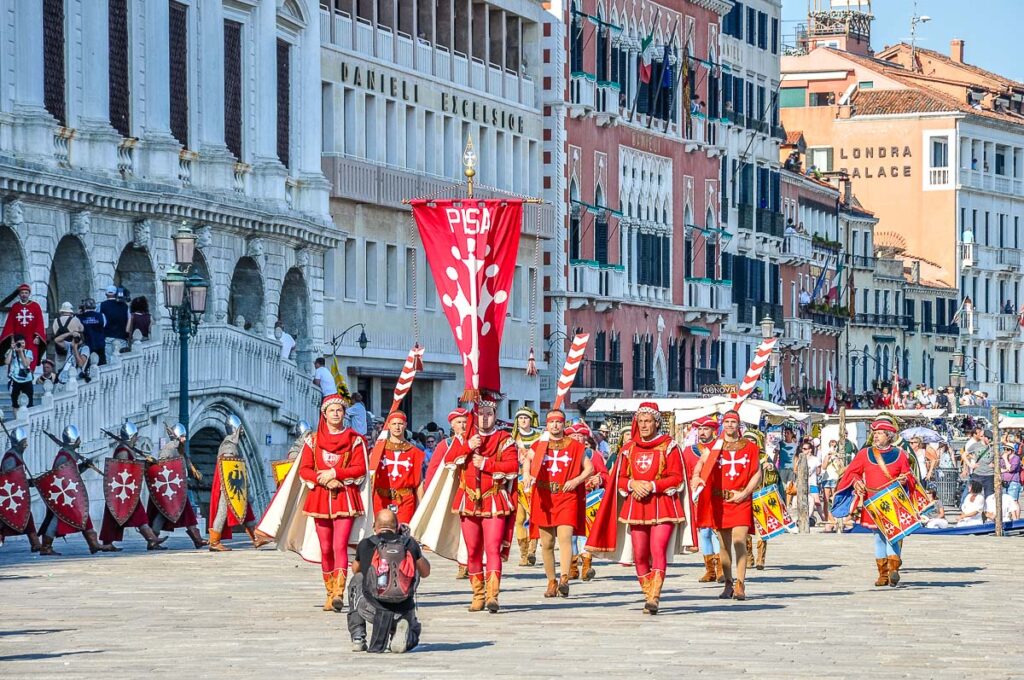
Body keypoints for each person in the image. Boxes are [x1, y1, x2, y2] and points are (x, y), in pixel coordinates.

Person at [587, 402, 686, 615]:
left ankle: (655, 596)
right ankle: (648, 593)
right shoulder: (628, 449)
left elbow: (676, 477)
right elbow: (618, 479)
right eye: (640, 421)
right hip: (636, 506)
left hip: (662, 505)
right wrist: (633, 484)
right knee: (640, 554)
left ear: (657, 423)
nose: (643, 425)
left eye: (648, 421)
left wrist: (651, 485)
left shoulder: (669, 446)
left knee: (657, 549)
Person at [442, 399, 517, 613]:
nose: (485, 417)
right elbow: (449, 460)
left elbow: (512, 466)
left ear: (495, 415)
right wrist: (468, 446)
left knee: (492, 548)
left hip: (493, 497)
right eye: (481, 413)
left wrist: (486, 464)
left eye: (489, 414)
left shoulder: (504, 439)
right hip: (469, 499)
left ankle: (493, 595)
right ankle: (478, 594)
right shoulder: (464, 438)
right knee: (473, 550)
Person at [298, 394, 369, 612]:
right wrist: (323, 479)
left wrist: (335, 473)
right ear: (324, 414)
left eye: (339, 410)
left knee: (339, 545)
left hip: (345, 497)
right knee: (326, 547)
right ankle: (329, 593)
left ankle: (339, 592)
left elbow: (359, 468)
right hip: (320, 497)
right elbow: (305, 469)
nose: (336, 414)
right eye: (332, 411)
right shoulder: (313, 440)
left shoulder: (355, 439)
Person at [832, 417, 916, 587]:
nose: (876, 436)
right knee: (878, 537)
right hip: (873, 502)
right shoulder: (865, 453)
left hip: (893, 502)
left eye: (879, 433)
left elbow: (909, 476)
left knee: (893, 535)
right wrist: (857, 482)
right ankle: (883, 575)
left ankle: (893, 570)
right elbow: (852, 473)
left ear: (889, 436)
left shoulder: (900, 454)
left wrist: (903, 480)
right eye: (874, 433)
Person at [691, 410, 762, 601]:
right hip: (720, 501)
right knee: (723, 545)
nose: (730, 425)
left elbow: (757, 473)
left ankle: (740, 583)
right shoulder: (715, 447)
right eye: (727, 422)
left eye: (733, 422)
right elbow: (700, 464)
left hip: (740, 499)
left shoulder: (750, 447)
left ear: (738, 425)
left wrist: (745, 493)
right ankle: (728, 582)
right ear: (723, 424)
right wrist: (697, 477)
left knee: (740, 540)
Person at [522, 410, 592, 598]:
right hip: (544, 495)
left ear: (564, 424)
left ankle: (564, 578)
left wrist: (576, 481)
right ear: (547, 424)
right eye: (552, 422)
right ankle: (551, 581)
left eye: (559, 422)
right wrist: (527, 474)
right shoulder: (540, 444)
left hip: (566, 495)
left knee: (565, 538)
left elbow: (589, 468)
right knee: (547, 543)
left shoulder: (575, 446)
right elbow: (527, 461)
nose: (555, 425)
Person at [348, 509, 429, 654]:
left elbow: (355, 569)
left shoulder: (366, 544)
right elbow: (425, 572)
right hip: (404, 608)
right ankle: (402, 629)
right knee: (413, 569)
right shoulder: (409, 543)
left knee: (357, 580)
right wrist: (415, 551)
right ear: (397, 526)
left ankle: (358, 638)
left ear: (374, 526)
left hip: (373, 609)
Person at [37, 426, 116, 555]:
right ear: (75, 440)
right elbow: (58, 476)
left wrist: (84, 466)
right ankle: (46, 547)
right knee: (58, 518)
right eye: (78, 439)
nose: (80, 441)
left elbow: (72, 472)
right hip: (64, 494)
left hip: (69, 493)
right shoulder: (63, 457)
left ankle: (93, 544)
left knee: (83, 516)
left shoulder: (68, 455)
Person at [97, 421, 168, 551]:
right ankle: (151, 539)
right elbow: (125, 469)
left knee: (131, 517)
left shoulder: (127, 449)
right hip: (121, 490)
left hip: (126, 491)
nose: (136, 438)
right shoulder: (123, 451)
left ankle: (151, 540)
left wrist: (145, 462)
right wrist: (144, 463)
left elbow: (133, 465)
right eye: (135, 436)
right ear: (131, 436)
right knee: (133, 516)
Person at [207, 415, 269, 552]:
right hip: (229, 487)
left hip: (237, 486)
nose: (241, 432)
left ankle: (256, 538)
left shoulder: (233, 445)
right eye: (240, 429)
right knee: (222, 511)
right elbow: (229, 468)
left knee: (246, 511)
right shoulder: (228, 445)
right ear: (235, 429)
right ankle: (214, 541)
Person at [147, 423, 208, 549]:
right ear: (176, 436)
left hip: (177, 487)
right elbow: (162, 467)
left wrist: (194, 474)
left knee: (166, 514)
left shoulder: (179, 449)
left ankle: (152, 541)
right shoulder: (169, 449)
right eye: (183, 436)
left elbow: (182, 465)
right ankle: (196, 539)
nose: (185, 439)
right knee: (169, 513)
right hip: (171, 488)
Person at [565, 421, 608, 582]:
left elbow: (605, 475)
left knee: (585, 533)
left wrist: (599, 478)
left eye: (580, 436)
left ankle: (586, 565)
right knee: (570, 535)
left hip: (588, 499)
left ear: (585, 438)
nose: (576, 438)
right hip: (568, 498)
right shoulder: (563, 454)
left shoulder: (592, 455)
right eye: (573, 436)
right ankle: (572, 567)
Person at [683, 416, 723, 583]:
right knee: (704, 531)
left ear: (714, 431)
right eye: (699, 429)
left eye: (706, 429)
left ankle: (721, 568)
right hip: (698, 495)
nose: (702, 432)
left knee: (716, 531)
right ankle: (710, 570)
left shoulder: (719, 448)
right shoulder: (689, 450)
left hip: (716, 494)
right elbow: (684, 472)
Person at [372, 411, 425, 525]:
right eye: (394, 424)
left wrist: (421, 506)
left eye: (400, 424)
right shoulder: (378, 451)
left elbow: (419, 482)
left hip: (405, 501)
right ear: (389, 425)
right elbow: (370, 478)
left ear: (405, 425)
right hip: (381, 499)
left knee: (403, 535)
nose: (397, 427)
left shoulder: (414, 452)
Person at [0, 427, 43, 553]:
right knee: (9, 519)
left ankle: (35, 543)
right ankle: (35, 543)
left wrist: (28, 483)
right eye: (24, 441)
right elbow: (7, 479)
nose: (26, 444)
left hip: (16, 495)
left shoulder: (16, 455)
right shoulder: (11, 458)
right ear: (18, 442)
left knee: (26, 517)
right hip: (10, 495)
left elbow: (18, 479)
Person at [511, 406, 542, 567]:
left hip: (535, 481)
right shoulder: (512, 437)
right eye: (520, 418)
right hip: (518, 481)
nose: (523, 421)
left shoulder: (540, 437)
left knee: (534, 517)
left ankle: (532, 551)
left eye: (526, 418)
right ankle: (523, 553)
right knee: (520, 518)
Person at [0, 283, 46, 370]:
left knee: (31, 359)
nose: (24, 295)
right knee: (15, 359)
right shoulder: (15, 307)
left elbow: (40, 322)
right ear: (19, 295)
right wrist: (12, 340)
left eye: (26, 293)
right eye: (22, 293)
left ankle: (29, 377)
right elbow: (10, 324)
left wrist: (37, 337)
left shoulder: (36, 306)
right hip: (18, 338)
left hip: (31, 338)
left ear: (29, 294)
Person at [424, 408, 468, 488]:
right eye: (459, 422)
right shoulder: (445, 444)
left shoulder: (473, 442)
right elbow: (433, 469)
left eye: (465, 422)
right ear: (452, 425)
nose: (462, 426)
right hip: (449, 486)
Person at [5, 333, 35, 409]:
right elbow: (7, 362)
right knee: (15, 403)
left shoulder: (28, 352)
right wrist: (12, 349)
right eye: (19, 343)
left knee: (29, 402)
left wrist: (21, 352)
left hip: (27, 379)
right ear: (15, 343)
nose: (22, 345)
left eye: (23, 343)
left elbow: (26, 364)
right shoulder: (11, 351)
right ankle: (17, 420)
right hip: (14, 379)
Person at [99, 285, 129, 358]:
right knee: (121, 359)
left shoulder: (102, 305)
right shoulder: (125, 306)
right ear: (116, 293)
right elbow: (129, 320)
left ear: (106, 294)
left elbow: (101, 321)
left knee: (109, 360)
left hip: (107, 336)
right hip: (121, 336)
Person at [77, 298, 106, 365]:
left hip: (86, 346)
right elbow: (104, 326)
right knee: (101, 366)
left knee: (86, 367)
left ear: (84, 306)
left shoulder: (79, 317)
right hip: (100, 345)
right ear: (95, 306)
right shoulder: (101, 316)